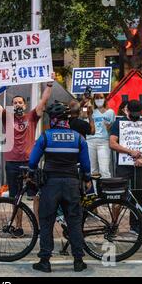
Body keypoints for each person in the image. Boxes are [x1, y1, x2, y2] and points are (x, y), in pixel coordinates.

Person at [0, 75, 53, 232]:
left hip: (30, 163)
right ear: (12, 106)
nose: (18, 104)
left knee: (37, 196)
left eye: (20, 102)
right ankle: (18, 226)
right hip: (12, 163)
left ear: (25, 105)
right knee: (15, 198)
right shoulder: (7, 117)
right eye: (15, 103)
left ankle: (38, 227)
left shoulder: (32, 117)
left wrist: (49, 84)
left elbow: (43, 102)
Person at [29, 101, 91, 273]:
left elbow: (33, 161)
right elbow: (86, 165)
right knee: (74, 222)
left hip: (51, 185)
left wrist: (30, 173)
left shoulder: (46, 136)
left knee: (47, 222)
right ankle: (78, 261)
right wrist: (87, 178)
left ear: (53, 119)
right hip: (72, 184)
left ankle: (45, 261)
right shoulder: (79, 138)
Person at [109, 99, 142, 191]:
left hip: (140, 166)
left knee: (139, 194)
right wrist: (130, 151)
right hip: (123, 166)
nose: (135, 117)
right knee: (120, 192)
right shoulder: (118, 123)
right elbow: (112, 143)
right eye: (133, 114)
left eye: (138, 114)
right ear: (127, 110)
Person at [86, 94, 115, 178]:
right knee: (92, 169)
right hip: (90, 141)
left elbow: (112, 129)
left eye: (101, 98)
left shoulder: (111, 112)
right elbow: (83, 115)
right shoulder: (90, 111)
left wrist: (108, 126)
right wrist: (86, 103)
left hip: (104, 142)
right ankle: (94, 190)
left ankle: (106, 190)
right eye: (97, 98)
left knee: (104, 170)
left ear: (105, 99)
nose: (99, 100)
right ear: (94, 99)